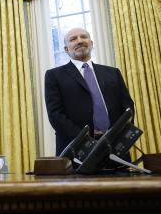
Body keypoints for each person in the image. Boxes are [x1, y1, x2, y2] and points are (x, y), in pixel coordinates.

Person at [44, 27, 134, 155]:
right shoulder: (54, 76)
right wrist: (87, 142)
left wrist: (119, 137)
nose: (79, 41)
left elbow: (128, 107)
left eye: (84, 37)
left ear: (91, 43)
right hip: (77, 150)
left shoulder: (113, 73)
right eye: (73, 39)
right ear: (66, 49)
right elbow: (56, 116)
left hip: (115, 148)